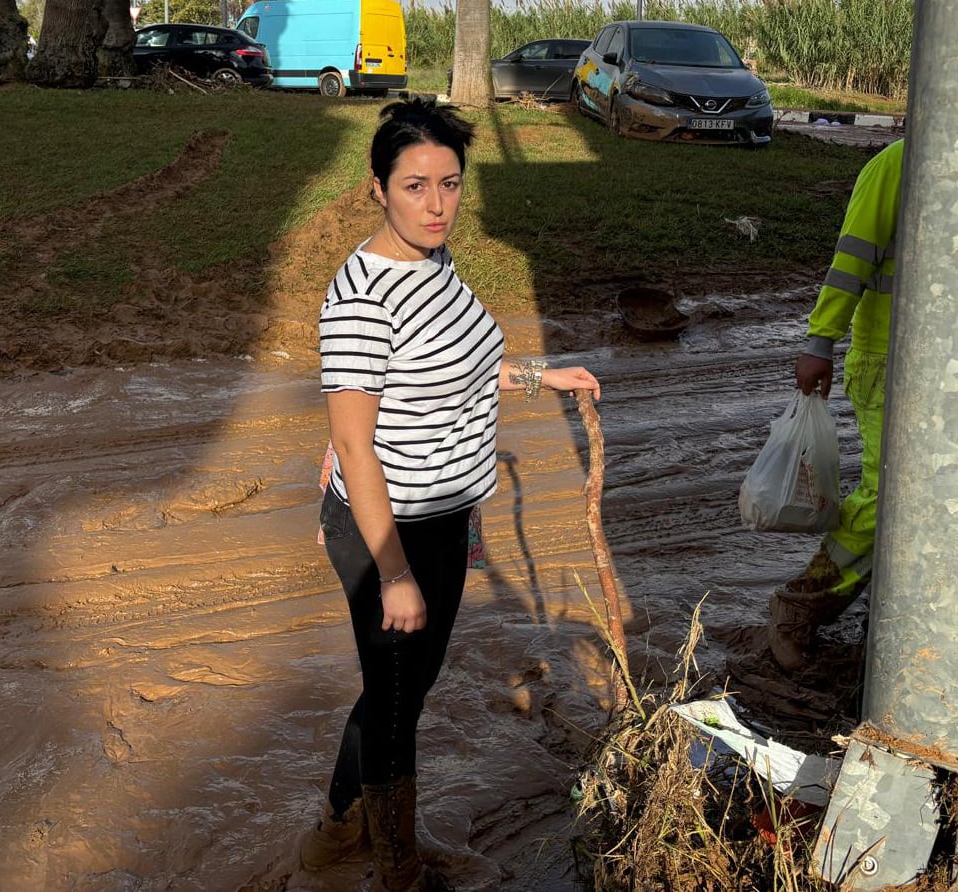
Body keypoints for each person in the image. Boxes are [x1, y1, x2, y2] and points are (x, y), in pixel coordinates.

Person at [298, 98, 601, 892]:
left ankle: (338, 833)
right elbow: (356, 445)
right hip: (383, 528)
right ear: (376, 188)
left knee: (403, 686)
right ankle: (394, 866)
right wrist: (392, 573)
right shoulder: (363, 300)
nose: (436, 206)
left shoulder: (436, 262)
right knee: (397, 701)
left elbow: (466, 364)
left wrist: (542, 374)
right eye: (414, 187)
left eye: (450, 185)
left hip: (445, 514)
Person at [767, 137, 904, 674]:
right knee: (890, 492)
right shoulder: (895, 164)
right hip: (887, 358)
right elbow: (851, 259)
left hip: (952, 368)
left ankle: (892, 615)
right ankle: (801, 604)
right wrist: (819, 340)